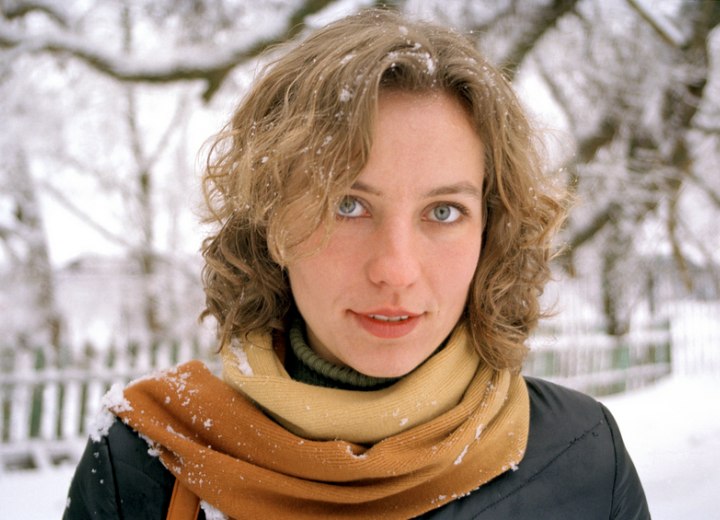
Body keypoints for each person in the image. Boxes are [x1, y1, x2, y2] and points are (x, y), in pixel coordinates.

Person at [64, 8, 650, 520]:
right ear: (269, 220)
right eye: (347, 204)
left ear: (492, 231)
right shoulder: (142, 461)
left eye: (443, 211)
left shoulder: (583, 453)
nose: (395, 270)